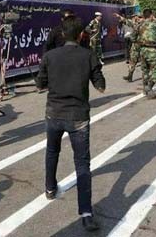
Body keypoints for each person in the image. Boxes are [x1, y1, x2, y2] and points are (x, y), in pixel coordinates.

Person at [35, 16, 106, 232]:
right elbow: (101, 86)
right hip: (78, 118)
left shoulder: (49, 56)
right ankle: (86, 214)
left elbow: (39, 85)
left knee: (52, 151)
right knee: (82, 164)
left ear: (63, 34)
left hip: (54, 114)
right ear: (81, 34)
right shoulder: (88, 55)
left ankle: (49, 188)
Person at [136, 8, 156, 98]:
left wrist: (139, 42)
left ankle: (145, 89)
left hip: (142, 50)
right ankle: (149, 87)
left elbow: (133, 36)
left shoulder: (139, 25)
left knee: (145, 70)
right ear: (151, 15)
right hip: (152, 50)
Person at [114, 12, 142, 82]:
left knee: (147, 63)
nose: (136, 18)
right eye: (136, 16)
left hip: (143, 46)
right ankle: (130, 76)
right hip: (135, 45)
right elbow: (127, 21)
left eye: (138, 16)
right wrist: (119, 16)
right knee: (132, 61)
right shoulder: (135, 24)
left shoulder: (146, 24)